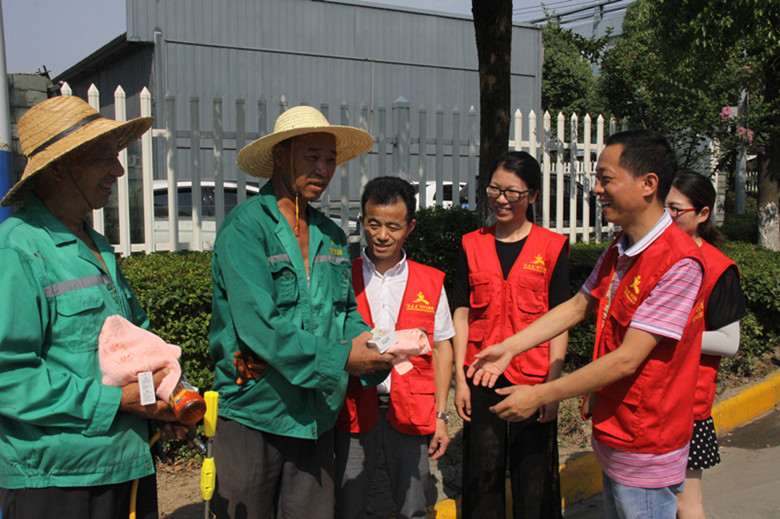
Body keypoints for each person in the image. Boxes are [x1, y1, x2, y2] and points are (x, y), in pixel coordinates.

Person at [468, 130, 706, 519]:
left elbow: (628, 360)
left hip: (646, 437)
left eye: (606, 178)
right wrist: (510, 346)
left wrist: (542, 394)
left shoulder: (677, 263)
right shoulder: (621, 247)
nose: (596, 189)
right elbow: (578, 306)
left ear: (648, 185)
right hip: (616, 428)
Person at [208, 106, 395, 519]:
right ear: (280, 155)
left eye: (330, 160)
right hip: (256, 410)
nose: (324, 169)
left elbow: (345, 311)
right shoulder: (245, 229)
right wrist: (344, 358)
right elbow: (260, 328)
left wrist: (382, 349)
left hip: (315, 414)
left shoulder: (330, 234)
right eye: (311, 156)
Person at [0, 95, 179, 519]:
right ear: (58, 168)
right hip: (58, 482)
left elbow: (134, 346)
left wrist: (159, 405)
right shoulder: (18, 250)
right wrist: (117, 402)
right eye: (104, 157)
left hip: (125, 465)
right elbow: (9, 377)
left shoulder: (95, 244)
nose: (118, 171)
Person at [451, 151, 569, 519]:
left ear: (532, 196)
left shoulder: (552, 247)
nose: (501, 199)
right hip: (480, 373)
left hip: (533, 377)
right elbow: (461, 312)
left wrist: (552, 385)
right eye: (495, 189)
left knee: (534, 472)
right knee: (481, 471)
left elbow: (560, 317)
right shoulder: (472, 243)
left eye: (513, 192)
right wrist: (460, 378)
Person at [333, 176, 455, 519]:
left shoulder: (430, 281)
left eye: (393, 226)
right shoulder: (343, 276)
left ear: (410, 227)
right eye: (373, 224)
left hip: (413, 413)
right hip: (354, 410)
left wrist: (442, 416)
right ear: (362, 221)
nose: (382, 235)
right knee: (349, 505)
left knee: (414, 507)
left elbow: (443, 346)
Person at [665, 171, 747, 519]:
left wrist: (661, 336)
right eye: (662, 208)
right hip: (646, 395)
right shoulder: (652, 256)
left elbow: (729, 342)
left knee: (685, 500)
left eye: (676, 209)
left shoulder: (718, 267)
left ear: (702, 214)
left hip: (686, 402)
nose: (667, 217)